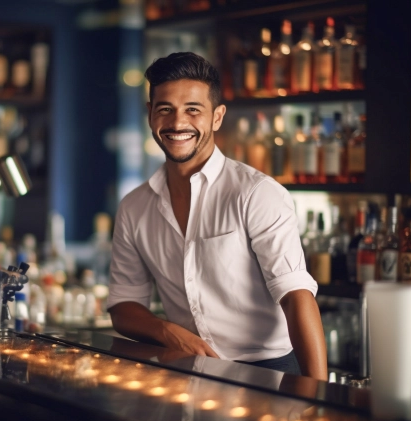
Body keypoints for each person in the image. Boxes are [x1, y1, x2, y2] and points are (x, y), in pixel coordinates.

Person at [107, 52, 327, 380]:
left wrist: (319, 399)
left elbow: (296, 297)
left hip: (267, 372)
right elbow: (124, 305)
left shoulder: (257, 193)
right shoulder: (134, 206)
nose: (178, 123)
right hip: (185, 371)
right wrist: (166, 331)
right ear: (150, 114)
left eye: (193, 110)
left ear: (217, 117)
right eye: (165, 109)